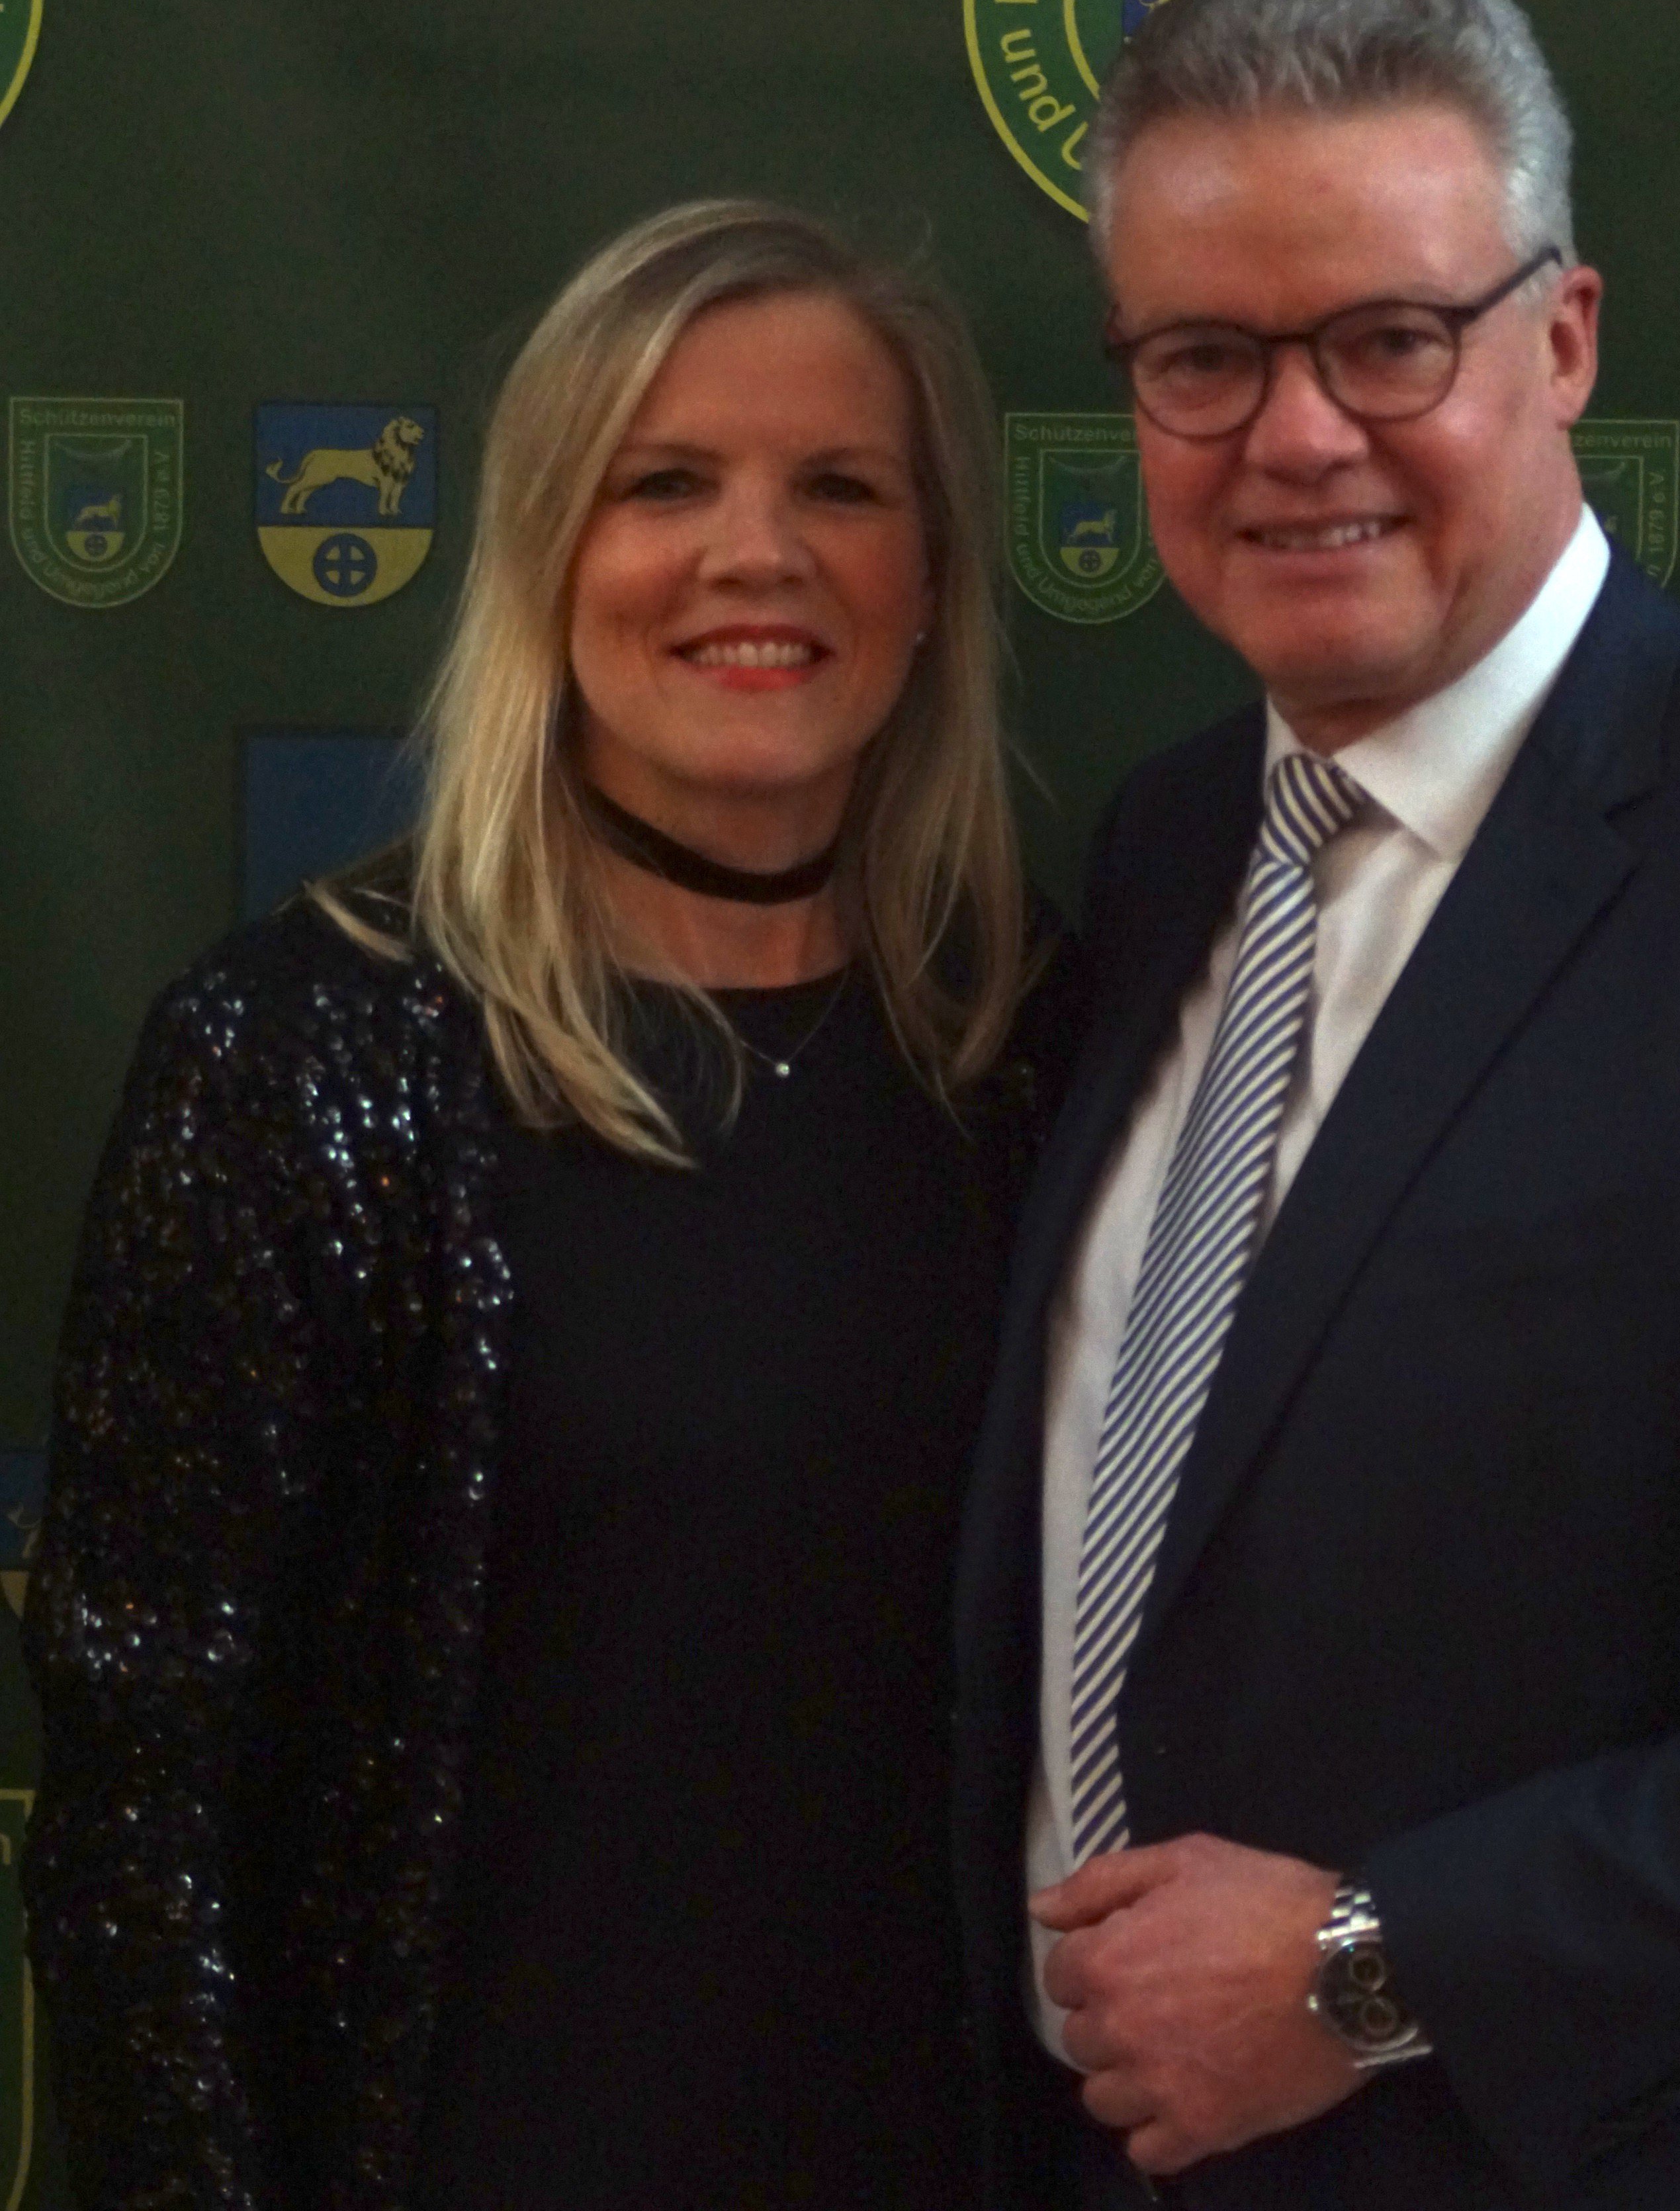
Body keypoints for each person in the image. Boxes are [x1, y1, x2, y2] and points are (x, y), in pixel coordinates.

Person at [25, 199, 1067, 2211]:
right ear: (546, 555)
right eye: (664, 483)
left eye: (840, 488)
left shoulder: (1049, 1054)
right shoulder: (297, 1060)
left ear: (933, 576)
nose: (757, 553)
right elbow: (140, 1816)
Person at [953, 0, 1680, 2211]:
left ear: (1562, 340)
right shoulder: (1170, 847)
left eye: (1389, 338)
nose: (1296, 436)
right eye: (1206, 358)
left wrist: (1380, 1967)